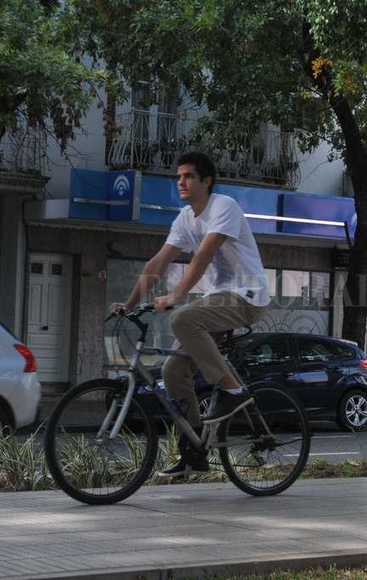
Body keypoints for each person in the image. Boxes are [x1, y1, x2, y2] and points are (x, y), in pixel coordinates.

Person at [110, 151, 270, 478]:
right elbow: (158, 262)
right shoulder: (185, 217)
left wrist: (176, 296)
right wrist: (128, 305)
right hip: (219, 300)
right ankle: (194, 453)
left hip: (248, 296)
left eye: (189, 176)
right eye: (179, 176)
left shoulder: (223, 207)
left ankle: (232, 390)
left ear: (206, 181)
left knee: (182, 318)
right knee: (172, 372)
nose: (181, 181)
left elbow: (204, 255)